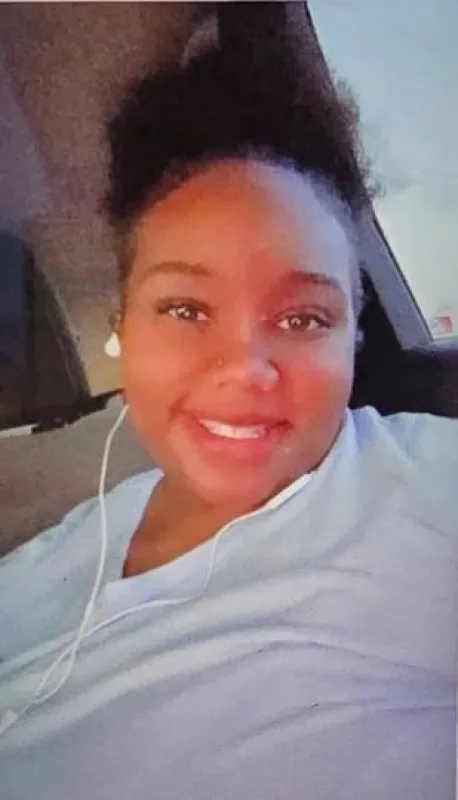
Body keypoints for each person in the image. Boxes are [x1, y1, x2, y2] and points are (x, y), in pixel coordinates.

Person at [1, 47, 457, 800]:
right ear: (124, 328)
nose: (244, 368)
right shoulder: (52, 555)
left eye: (303, 318)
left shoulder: (424, 485)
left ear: (354, 337)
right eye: (185, 309)